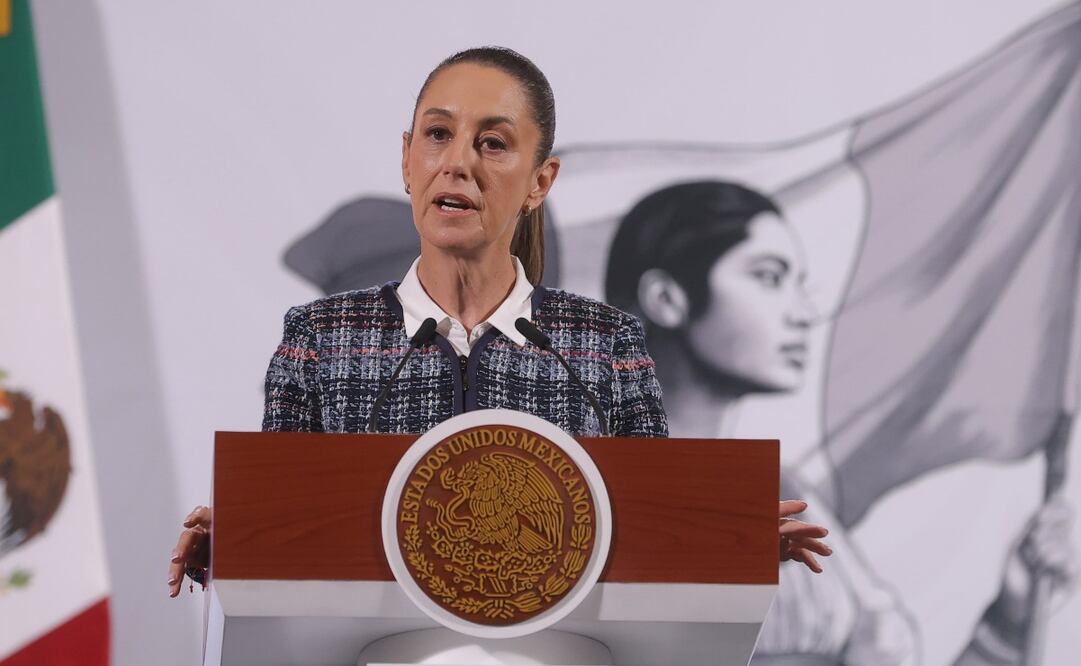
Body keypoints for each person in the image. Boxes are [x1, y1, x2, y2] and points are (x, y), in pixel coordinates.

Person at [167, 47, 832, 599]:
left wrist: (730, 540)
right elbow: (289, 533)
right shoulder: (322, 338)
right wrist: (240, 541)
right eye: (436, 135)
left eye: (491, 143)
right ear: (407, 160)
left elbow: (647, 535)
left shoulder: (602, 345)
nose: (456, 162)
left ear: (540, 182)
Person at [604, 179, 1076, 665]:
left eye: (799, 285)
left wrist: (1009, 616)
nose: (804, 313)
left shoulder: (783, 490)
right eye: (768, 277)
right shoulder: (588, 490)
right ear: (666, 298)